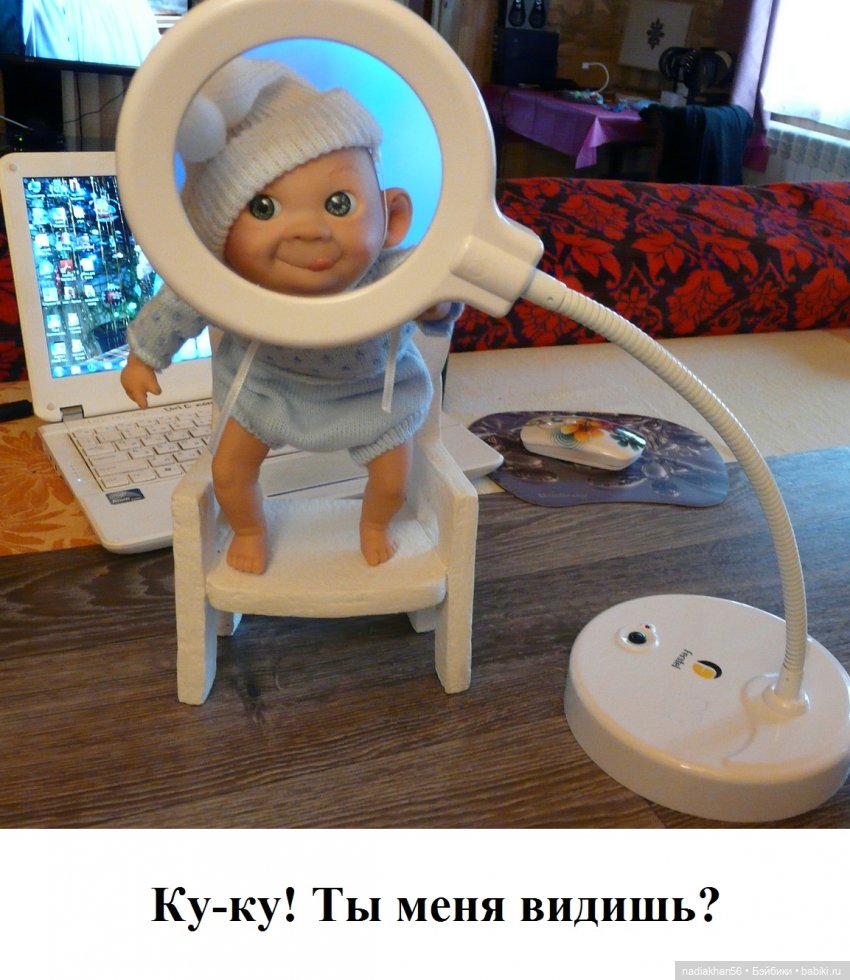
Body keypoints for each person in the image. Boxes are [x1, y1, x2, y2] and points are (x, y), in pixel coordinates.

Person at [121, 58, 461, 573]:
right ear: (220, 249)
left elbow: (437, 287)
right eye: (265, 209)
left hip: (375, 396)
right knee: (229, 473)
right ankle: (251, 528)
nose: (309, 231)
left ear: (392, 218)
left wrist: (435, 302)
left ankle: (374, 525)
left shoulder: (392, 272)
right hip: (267, 391)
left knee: (393, 483)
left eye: (339, 204)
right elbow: (179, 303)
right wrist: (144, 356)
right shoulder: (233, 289)